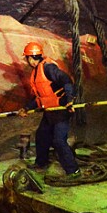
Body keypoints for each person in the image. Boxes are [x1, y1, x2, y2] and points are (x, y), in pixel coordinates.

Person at [19, 42, 79, 175]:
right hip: (49, 111)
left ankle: (73, 170)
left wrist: (69, 100)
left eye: (27, 58)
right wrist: (27, 108)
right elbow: (40, 97)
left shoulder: (48, 68)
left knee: (58, 141)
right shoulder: (36, 72)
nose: (27, 61)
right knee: (41, 136)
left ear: (30, 58)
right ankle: (41, 163)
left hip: (61, 110)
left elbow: (66, 80)